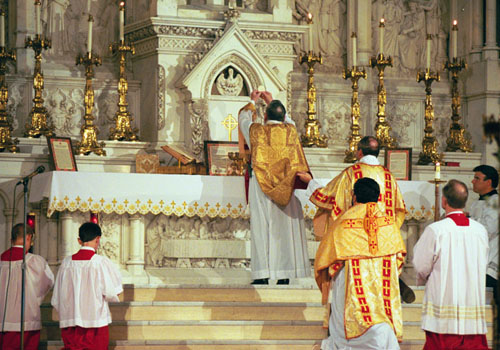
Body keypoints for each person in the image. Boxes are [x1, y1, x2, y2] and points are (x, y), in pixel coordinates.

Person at [297, 136, 414, 303]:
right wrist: (388, 235)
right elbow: (399, 210)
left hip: (354, 240)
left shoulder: (351, 174)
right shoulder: (389, 177)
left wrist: (310, 183)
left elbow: (328, 197)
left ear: (359, 152)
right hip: (382, 240)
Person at [313, 178, 406, 350]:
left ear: (354, 197)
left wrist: (328, 275)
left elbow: (324, 259)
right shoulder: (389, 224)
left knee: (344, 309)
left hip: (350, 284)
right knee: (380, 318)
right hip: (380, 286)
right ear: (379, 198)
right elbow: (399, 259)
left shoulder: (343, 223)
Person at [238, 90, 311, 285]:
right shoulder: (291, 131)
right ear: (283, 116)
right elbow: (291, 122)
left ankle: (261, 275)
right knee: (283, 231)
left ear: (265, 116)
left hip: (261, 186)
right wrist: (272, 102)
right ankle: (283, 275)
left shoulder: (255, 131)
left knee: (261, 228)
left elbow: (243, 118)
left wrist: (252, 101)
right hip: (285, 187)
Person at [413, 180, 489, 350]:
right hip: (471, 300)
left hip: (443, 297)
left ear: (444, 201)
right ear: (465, 201)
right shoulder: (480, 231)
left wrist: (423, 278)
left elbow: (420, 264)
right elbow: (483, 260)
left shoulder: (436, 230)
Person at [51, 222, 123, 350]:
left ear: (79, 240)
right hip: (95, 323)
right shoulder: (100, 263)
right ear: (98, 239)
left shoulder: (66, 263)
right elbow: (112, 292)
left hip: (71, 322)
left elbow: (57, 297)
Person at [0, 223, 54, 350]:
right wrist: (36, 299)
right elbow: (48, 282)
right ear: (29, 237)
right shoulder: (35, 261)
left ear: (11, 240)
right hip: (27, 318)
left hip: (3, 319)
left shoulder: (1, 260)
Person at [469, 164, 498, 294]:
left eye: (477, 178)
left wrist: (467, 221)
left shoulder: (495, 202)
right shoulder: (476, 203)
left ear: (489, 182)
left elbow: (489, 229)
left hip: (490, 256)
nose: (472, 181)